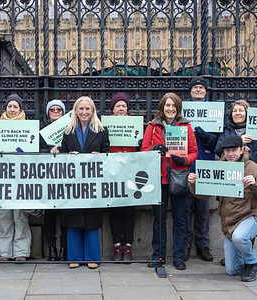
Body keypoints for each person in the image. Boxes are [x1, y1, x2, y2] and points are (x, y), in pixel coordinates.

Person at [188, 135, 257, 282]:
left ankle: (252, 264)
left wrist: (256, 183)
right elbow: (202, 195)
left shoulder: (254, 168)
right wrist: (194, 183)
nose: (230, 154)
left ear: (242, 150)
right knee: (233, 269)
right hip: (229, 223)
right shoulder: (219, 167)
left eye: (234, 150)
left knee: (240, 237)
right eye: (227, 151)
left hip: (251, 217)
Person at [141, 92, 198, 270]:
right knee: (159, 219)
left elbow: (194, 151)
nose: (170, 109)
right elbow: (143, 150)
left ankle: (178, 257)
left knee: (180, 219)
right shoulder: (153, 126)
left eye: (174, 106)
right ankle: (158, 256)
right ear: (162, 107)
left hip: (179, 177)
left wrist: (186, 160)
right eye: (167, 105)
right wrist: (154, 149)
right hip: (159, 178)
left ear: (178, 108)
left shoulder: (185, 126)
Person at [60, 96, 110, 269]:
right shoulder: (68, 131)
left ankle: (92, 257)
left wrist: (100, 157)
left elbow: (107, 153)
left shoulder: (101, 130)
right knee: (73, 217)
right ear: (75, 111)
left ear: (93, 111)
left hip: (93, 182)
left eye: (87, 109)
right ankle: (73, 257)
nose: (84, 112)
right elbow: (62, 153)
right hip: (73, 183)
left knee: (92, 218)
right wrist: (68, 156)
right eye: (81, 109)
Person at [0, 94, 32, 261]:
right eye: (10, 106)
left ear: (20, 109)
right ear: (5, 108)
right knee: (2, 215)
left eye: (15, 106)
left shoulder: (28, 127)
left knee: (20, 215)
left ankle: (21, 252)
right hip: (1, 175)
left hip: (22, 176)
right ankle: (4, 252)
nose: (12, 110)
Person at [184, 77, 217, 262]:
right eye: (195, 88)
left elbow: (218, 140)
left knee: (203, 211)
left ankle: (203, 246)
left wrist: (206, 137)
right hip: (187, 165)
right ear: (190, 92)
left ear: (205, 92)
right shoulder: (183, 109)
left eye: (201, 88)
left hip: (205, 165)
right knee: (186, 210)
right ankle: (187, 245)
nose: (198, 90)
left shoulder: (213, 111)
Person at [108, 92, 137, 261]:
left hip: (130, 172)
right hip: (113, 172)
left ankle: (128, 245)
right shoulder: (106, 124)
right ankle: (117, 245)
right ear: (113, 108)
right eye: (118, 105)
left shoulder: (134, 123)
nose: (121, 108)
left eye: (123, 106)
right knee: (115, 211)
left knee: (129, 211)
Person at [39, 99, 68, 261]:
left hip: (64, 175)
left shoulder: (69, 127)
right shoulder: (40, 128)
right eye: (52, 110)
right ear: (48, 112)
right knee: (49, 214)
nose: (56, 112)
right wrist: (48, 150)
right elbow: (33, 147)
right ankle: (51, 249)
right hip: (47, 176)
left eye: (59, 110)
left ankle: (64, 248)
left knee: (65, 214)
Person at [215, 100, 257, 166]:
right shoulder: (226, 129)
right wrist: (238, 142)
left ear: (247, 113)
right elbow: (218, 151)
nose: (237, 113)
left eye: (241, 110)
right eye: (234, 111)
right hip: (231, 170)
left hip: (252, 172)